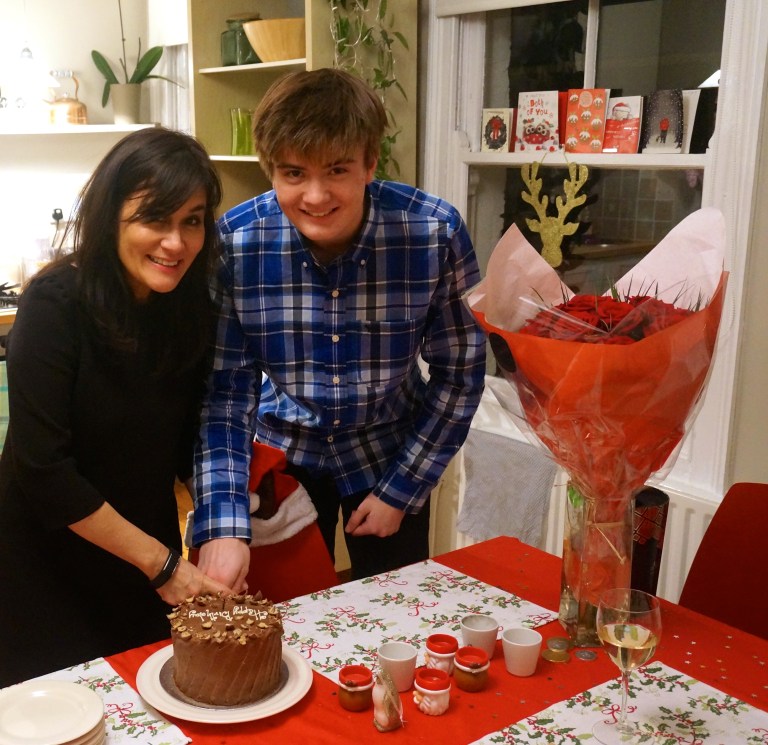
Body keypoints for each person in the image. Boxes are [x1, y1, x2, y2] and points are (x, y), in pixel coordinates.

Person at [192, 68, 486, 587]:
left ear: (370, 163)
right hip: (283, 457)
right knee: (279, 629)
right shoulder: (235, 245)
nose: (316, 195)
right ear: (270, 170)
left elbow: (459, 373)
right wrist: (223, 521)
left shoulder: (433, 233)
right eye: (293, 174)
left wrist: (403, 488)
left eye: (337, 170)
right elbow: (224, 398)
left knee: (397, 622)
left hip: (392, 451)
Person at [0, 127, 233, 687]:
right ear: (111, 218)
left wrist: (227, 519)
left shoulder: (187, 310)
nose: (175, 243)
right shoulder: (56, 303)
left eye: (193, 220)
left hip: (141, 559)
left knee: (146, 702)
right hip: (45, 561)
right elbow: (43, 470)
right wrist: (163, 565)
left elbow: (185, 443)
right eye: (155, 218)